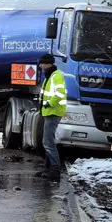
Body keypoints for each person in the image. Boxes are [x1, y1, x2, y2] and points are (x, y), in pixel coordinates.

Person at [36, 53, 67, 181]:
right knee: (47, 141)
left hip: (53, 111)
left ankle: (55, 169)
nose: (41, 65)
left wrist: (49, 104)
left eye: (43, 63)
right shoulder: (50, 75)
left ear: (49, 63)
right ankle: (48, 169)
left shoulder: (56, 76)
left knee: (48, 142)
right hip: (48, 112)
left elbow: (60, 94)